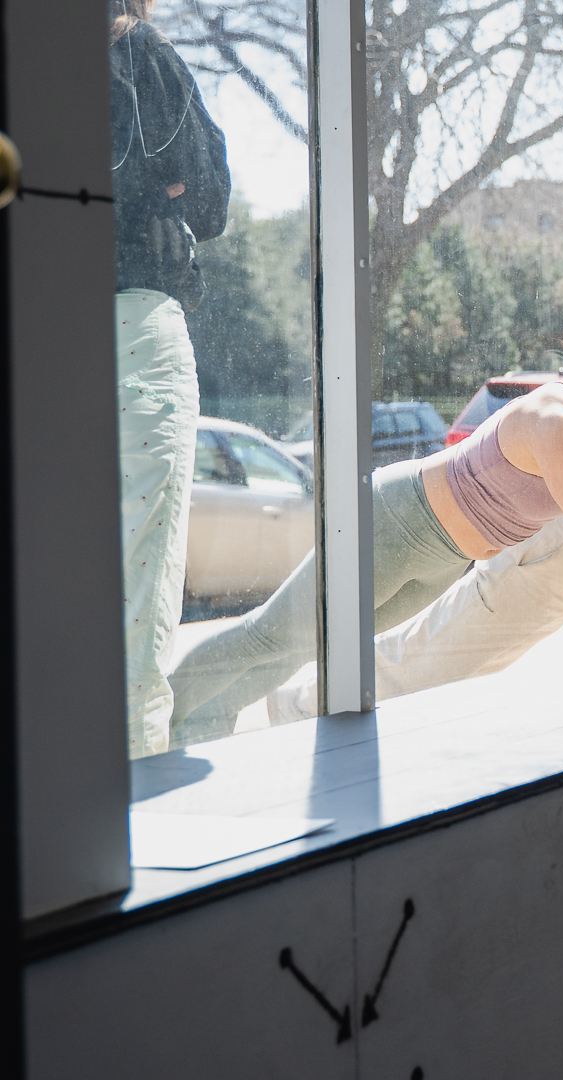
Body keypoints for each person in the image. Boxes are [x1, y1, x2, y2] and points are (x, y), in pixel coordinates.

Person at [167, 353, 563, 744]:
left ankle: (208, 722)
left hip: (442, 558)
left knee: (309, 643)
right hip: (396, 521)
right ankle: (159, 723)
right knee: (270, 633)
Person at [262, 349, 563, 722]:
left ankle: (301, 702)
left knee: (425, 661)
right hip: (476, 542)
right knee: (422, 662)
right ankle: (293, 705)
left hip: (507, 558)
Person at [110, 0, 231, 757]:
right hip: (136, 327)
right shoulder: (135, 53)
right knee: (140, 579)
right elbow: (210, 195)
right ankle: (131, 785)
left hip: (35, 327)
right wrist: (159, 194)